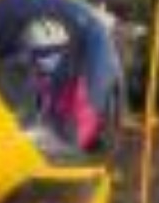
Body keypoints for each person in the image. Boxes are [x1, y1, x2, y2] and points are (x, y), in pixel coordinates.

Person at [16, 16, 101, 151]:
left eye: (57, 52)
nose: (51, 59)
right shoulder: (35, 80)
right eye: (43, 53)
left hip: (67, 153)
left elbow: (81, 132)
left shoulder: (75, 86)